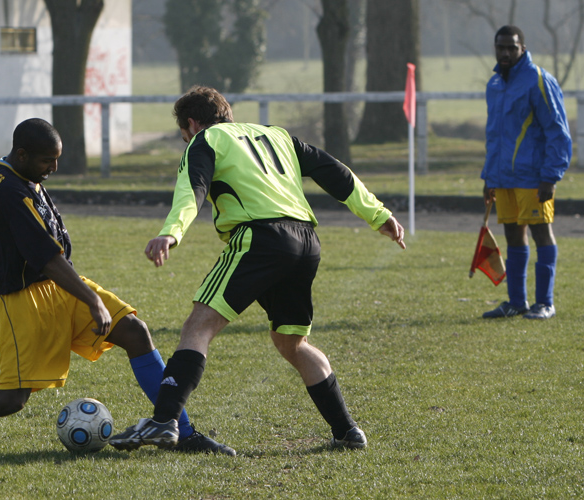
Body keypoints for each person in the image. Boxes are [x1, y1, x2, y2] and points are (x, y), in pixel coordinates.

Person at [0, 118, 235, 456]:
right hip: (27, 300)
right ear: (22, 154)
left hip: (62, 285)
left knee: (134, 332)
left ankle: (181, 432)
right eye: (46, 160)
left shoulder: (10, 171)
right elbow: (46, 259)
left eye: (57, 159)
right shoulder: (9, 190)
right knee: (12, 399)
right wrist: (92, 302)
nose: (53, 167)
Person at [110, 86, 406, 452]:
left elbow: (194, 191)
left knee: (198, 325)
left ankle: (163, 421)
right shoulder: (277, 135)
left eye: (183, 133)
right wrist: (379, 215)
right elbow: (335, 172)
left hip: (259, 239)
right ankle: (347, 431)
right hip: (306, 241)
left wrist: (170, 233)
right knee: (292, 342)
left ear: (191, 123)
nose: (185, 139)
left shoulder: (204, 141)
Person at [481, 25, 572, 320]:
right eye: (501, 47)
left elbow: (557, 131)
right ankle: (516, 302)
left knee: (540, 233)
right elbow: (494, 136)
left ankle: (545, 302)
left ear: (522, 48)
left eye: (512, 47)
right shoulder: (494, 84)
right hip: (504, 179)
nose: (506, 52)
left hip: (534, 177)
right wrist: (489, 178)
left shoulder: (538, 80)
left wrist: (551, 176)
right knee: (512, 235)